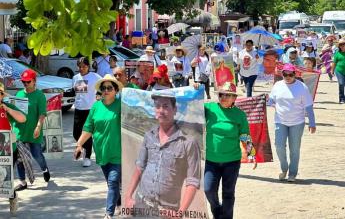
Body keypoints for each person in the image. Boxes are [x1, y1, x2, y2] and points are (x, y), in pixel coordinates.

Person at [124, 90, 201, 215]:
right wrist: (128, 197)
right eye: (157, 106)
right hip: (140, 205)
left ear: (175, 109)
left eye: (165, 106)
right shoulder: (149, 136)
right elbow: (139, 167)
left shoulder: (188, 142)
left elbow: (193, 181)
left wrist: (180, 213)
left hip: (167, 212)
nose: (161, 110)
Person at [194, 81, 254, 219]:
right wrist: (196, 90)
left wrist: (251, 153)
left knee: (228, 193)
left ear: (234, 98)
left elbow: (245, 135)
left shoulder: (239, 115)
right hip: (211, 160)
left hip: (232, 161)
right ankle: (217, 210)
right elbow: (192, 105)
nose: (223, 97)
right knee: (208, 189)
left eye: (228, 95)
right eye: (221, 94)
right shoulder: (209, 108)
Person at [74, 74, 123, 219]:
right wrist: (79, 145)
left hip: (118, 152)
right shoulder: (95, 107)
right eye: (103, 88)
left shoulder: (122, 105)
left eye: (109, 88)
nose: (106, 90)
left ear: (115, 90)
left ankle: (108, 214)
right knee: (111, 183)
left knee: (113, 181)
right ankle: (119, 202)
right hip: (101, 151)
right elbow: (88, 128)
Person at [268, 63, 316, 182]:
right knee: (279, 146)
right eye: (285, 74)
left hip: (297, 122)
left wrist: (312, 122)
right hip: (280, 121)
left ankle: (292, 173)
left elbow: (309, 106)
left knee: (294, 149)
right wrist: (270, 102)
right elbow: (271, 99)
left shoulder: (302, 87)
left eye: (290, 74)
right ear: (282, 74)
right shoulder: (277, 85)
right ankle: (284, 168)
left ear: (295, 74)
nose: (288, 76)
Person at [14, 69, 50, 191]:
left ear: (34, 81)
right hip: (20, 131)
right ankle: (22, 181)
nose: (25, 84)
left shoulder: (39, 95)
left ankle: (44, 168)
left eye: (27, 82)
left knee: (37, 154)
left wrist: (38, 126)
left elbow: (42, 113)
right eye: (23, 82)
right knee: (20, 157)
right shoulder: (19, 94)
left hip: (34, 131)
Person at [0, 81, 27, 215]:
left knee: (6, 179)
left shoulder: (6, 107)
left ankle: (12, 196)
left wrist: (9, 109)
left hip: (8, 149)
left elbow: (22, 119)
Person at [72, 57, 102, 167]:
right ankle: (82, 147)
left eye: (83, 67)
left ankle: (87, 156)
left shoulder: (95, 77)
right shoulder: (75, 77)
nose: (81, 69)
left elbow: (103, 85)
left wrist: (99, 95)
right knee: (76, 134)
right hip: (78, 108)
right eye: (79, 67)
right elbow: (75, 92)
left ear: (88, 66)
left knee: (87, 133)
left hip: (90, 109)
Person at [331, 38, 345, 103]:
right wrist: (332, 71)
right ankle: (341, 98)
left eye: (344, 44)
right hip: (339, 71)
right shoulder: (337, 53)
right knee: (341, 83)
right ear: (339, 46)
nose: (343, 46)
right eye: (341, 45)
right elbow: (334, 63)